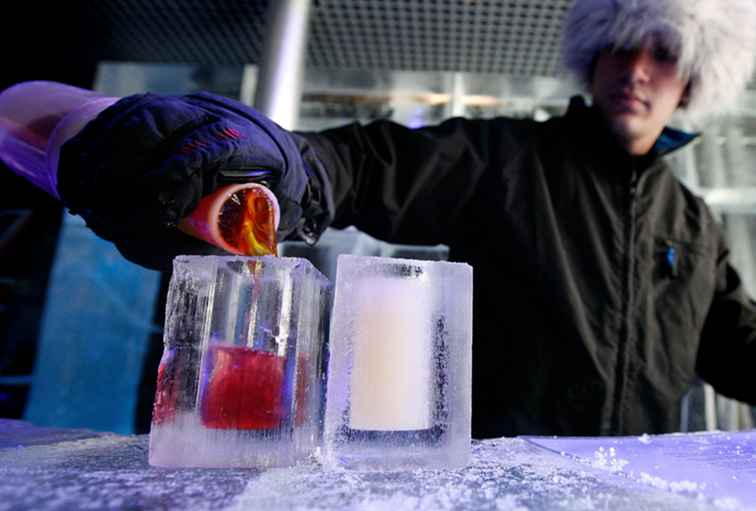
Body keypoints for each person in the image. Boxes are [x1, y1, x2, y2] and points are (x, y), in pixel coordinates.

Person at [55, 0, 756, 437]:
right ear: (591, 59)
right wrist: (283, 170)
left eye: (663, 52)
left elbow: (735, 345)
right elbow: (366, 165)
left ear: (691, 80)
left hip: (640, 498)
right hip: (501, 498)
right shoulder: (504, 157)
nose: (636, 69)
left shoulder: (695, 225)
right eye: (620, 46)